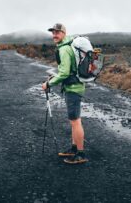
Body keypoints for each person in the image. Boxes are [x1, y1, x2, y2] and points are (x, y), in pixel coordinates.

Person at [41, 23, 88, 164]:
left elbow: (64, 73)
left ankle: (80, 154)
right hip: (74, 86)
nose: (54, 35)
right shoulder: (67, 46)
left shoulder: (64, 49)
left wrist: (48, 84)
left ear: (64, 33)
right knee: (74, 121)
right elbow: (67, 70)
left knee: (75, 121)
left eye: (57, 32)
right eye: (53, 32)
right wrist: (53, 78)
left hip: (73, 88)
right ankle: (74, 149)